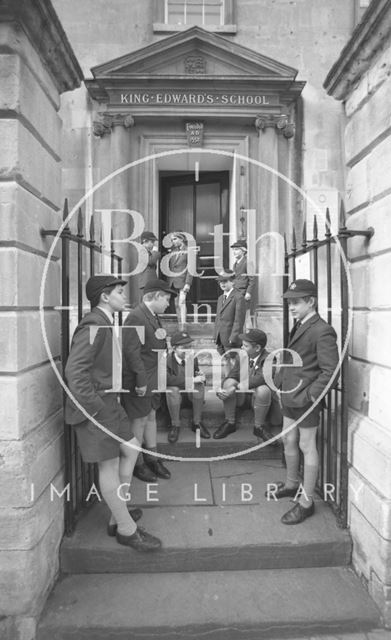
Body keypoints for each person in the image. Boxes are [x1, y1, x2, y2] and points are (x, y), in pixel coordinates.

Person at [64, 275, 161, 551]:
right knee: (108, 465)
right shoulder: (94, 324)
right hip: (96, 407)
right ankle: (127, 530)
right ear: (105, 297)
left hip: (109, 404)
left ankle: (117, 515)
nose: (124, 295)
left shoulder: (106, 322)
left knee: (131, 449)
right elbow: (74, 372)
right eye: (119, 292)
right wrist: (95, 408)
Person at [266, 279, 339, 525]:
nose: (292, 307)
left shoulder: (322, 330)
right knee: (289, 439)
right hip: (289, 394)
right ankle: (291, 484)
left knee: (307, 446)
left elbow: (331, 370)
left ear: (311, 301)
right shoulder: (300, 324)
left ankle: (306, 503)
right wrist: (279, 381)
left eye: (297, 302)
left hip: (306, 398)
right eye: (290, 302)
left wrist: (310, 395)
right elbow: (291, 358)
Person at [122, 278, 175, 483]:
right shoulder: (136, 316)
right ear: (155, 297)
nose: (168, 303)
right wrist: (141, 381)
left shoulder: (151, 315)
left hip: (153, 378)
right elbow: (131, 352)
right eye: (166, 299)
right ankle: (137, 464)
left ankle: (152, 458)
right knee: (139, 422)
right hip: (140, 380)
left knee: (151, 417)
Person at [215, 328, 281, 440]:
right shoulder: (241, 356)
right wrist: (222, 388)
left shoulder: (269, 359)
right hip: (242, 398)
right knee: (229, 382)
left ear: (257, 348)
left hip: (259, 400)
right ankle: (230, 422)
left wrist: (238, 386)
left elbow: (262, 378)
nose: (242, 348)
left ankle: (259, 427)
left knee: (263, 389)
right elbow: (233, 374)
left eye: (245, 346)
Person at [165, 331, 209, 443]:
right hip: (174, 398)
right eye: (184, 347)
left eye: (189, 347)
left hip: (189, 396)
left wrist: (201, 376)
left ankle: (197, 422)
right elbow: (168, 380)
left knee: (199, 384)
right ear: (174, 348)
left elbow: (196, 374)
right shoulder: (166, 361)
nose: (188, 350)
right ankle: (175, 425)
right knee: (172, 388)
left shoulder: (192, 359)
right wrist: (192, 380)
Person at [214, 270, 246, 355]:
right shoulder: (220, 298)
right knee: (225, 362)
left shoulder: (238, 297)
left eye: (225, 281)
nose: (222, 284)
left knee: (234, 363)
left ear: (233, 282)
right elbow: (218, 318)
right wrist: (215, 335)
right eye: (220, 282)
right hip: (220, 338)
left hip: (231, 339)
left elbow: (239, 320)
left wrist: (234, 337)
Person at [166, 231, 193, 328]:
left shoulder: (189, 251)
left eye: (175, 239)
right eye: (172, 240)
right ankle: (179, 324)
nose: (173, 242)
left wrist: (188, 283)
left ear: (181, 239)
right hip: (173, 282)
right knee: (176, 304)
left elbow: (191, 269)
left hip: (183, 281)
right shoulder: (173, 252)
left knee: (182, 302)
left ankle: (183, 326)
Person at [138, 230, 161, 297]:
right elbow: (151, 261)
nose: (153, 244)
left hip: (148, 282)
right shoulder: (142, 251)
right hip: (147, 282)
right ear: (145, 241)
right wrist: (155, 251)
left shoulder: (146, 251)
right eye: (152, 242)